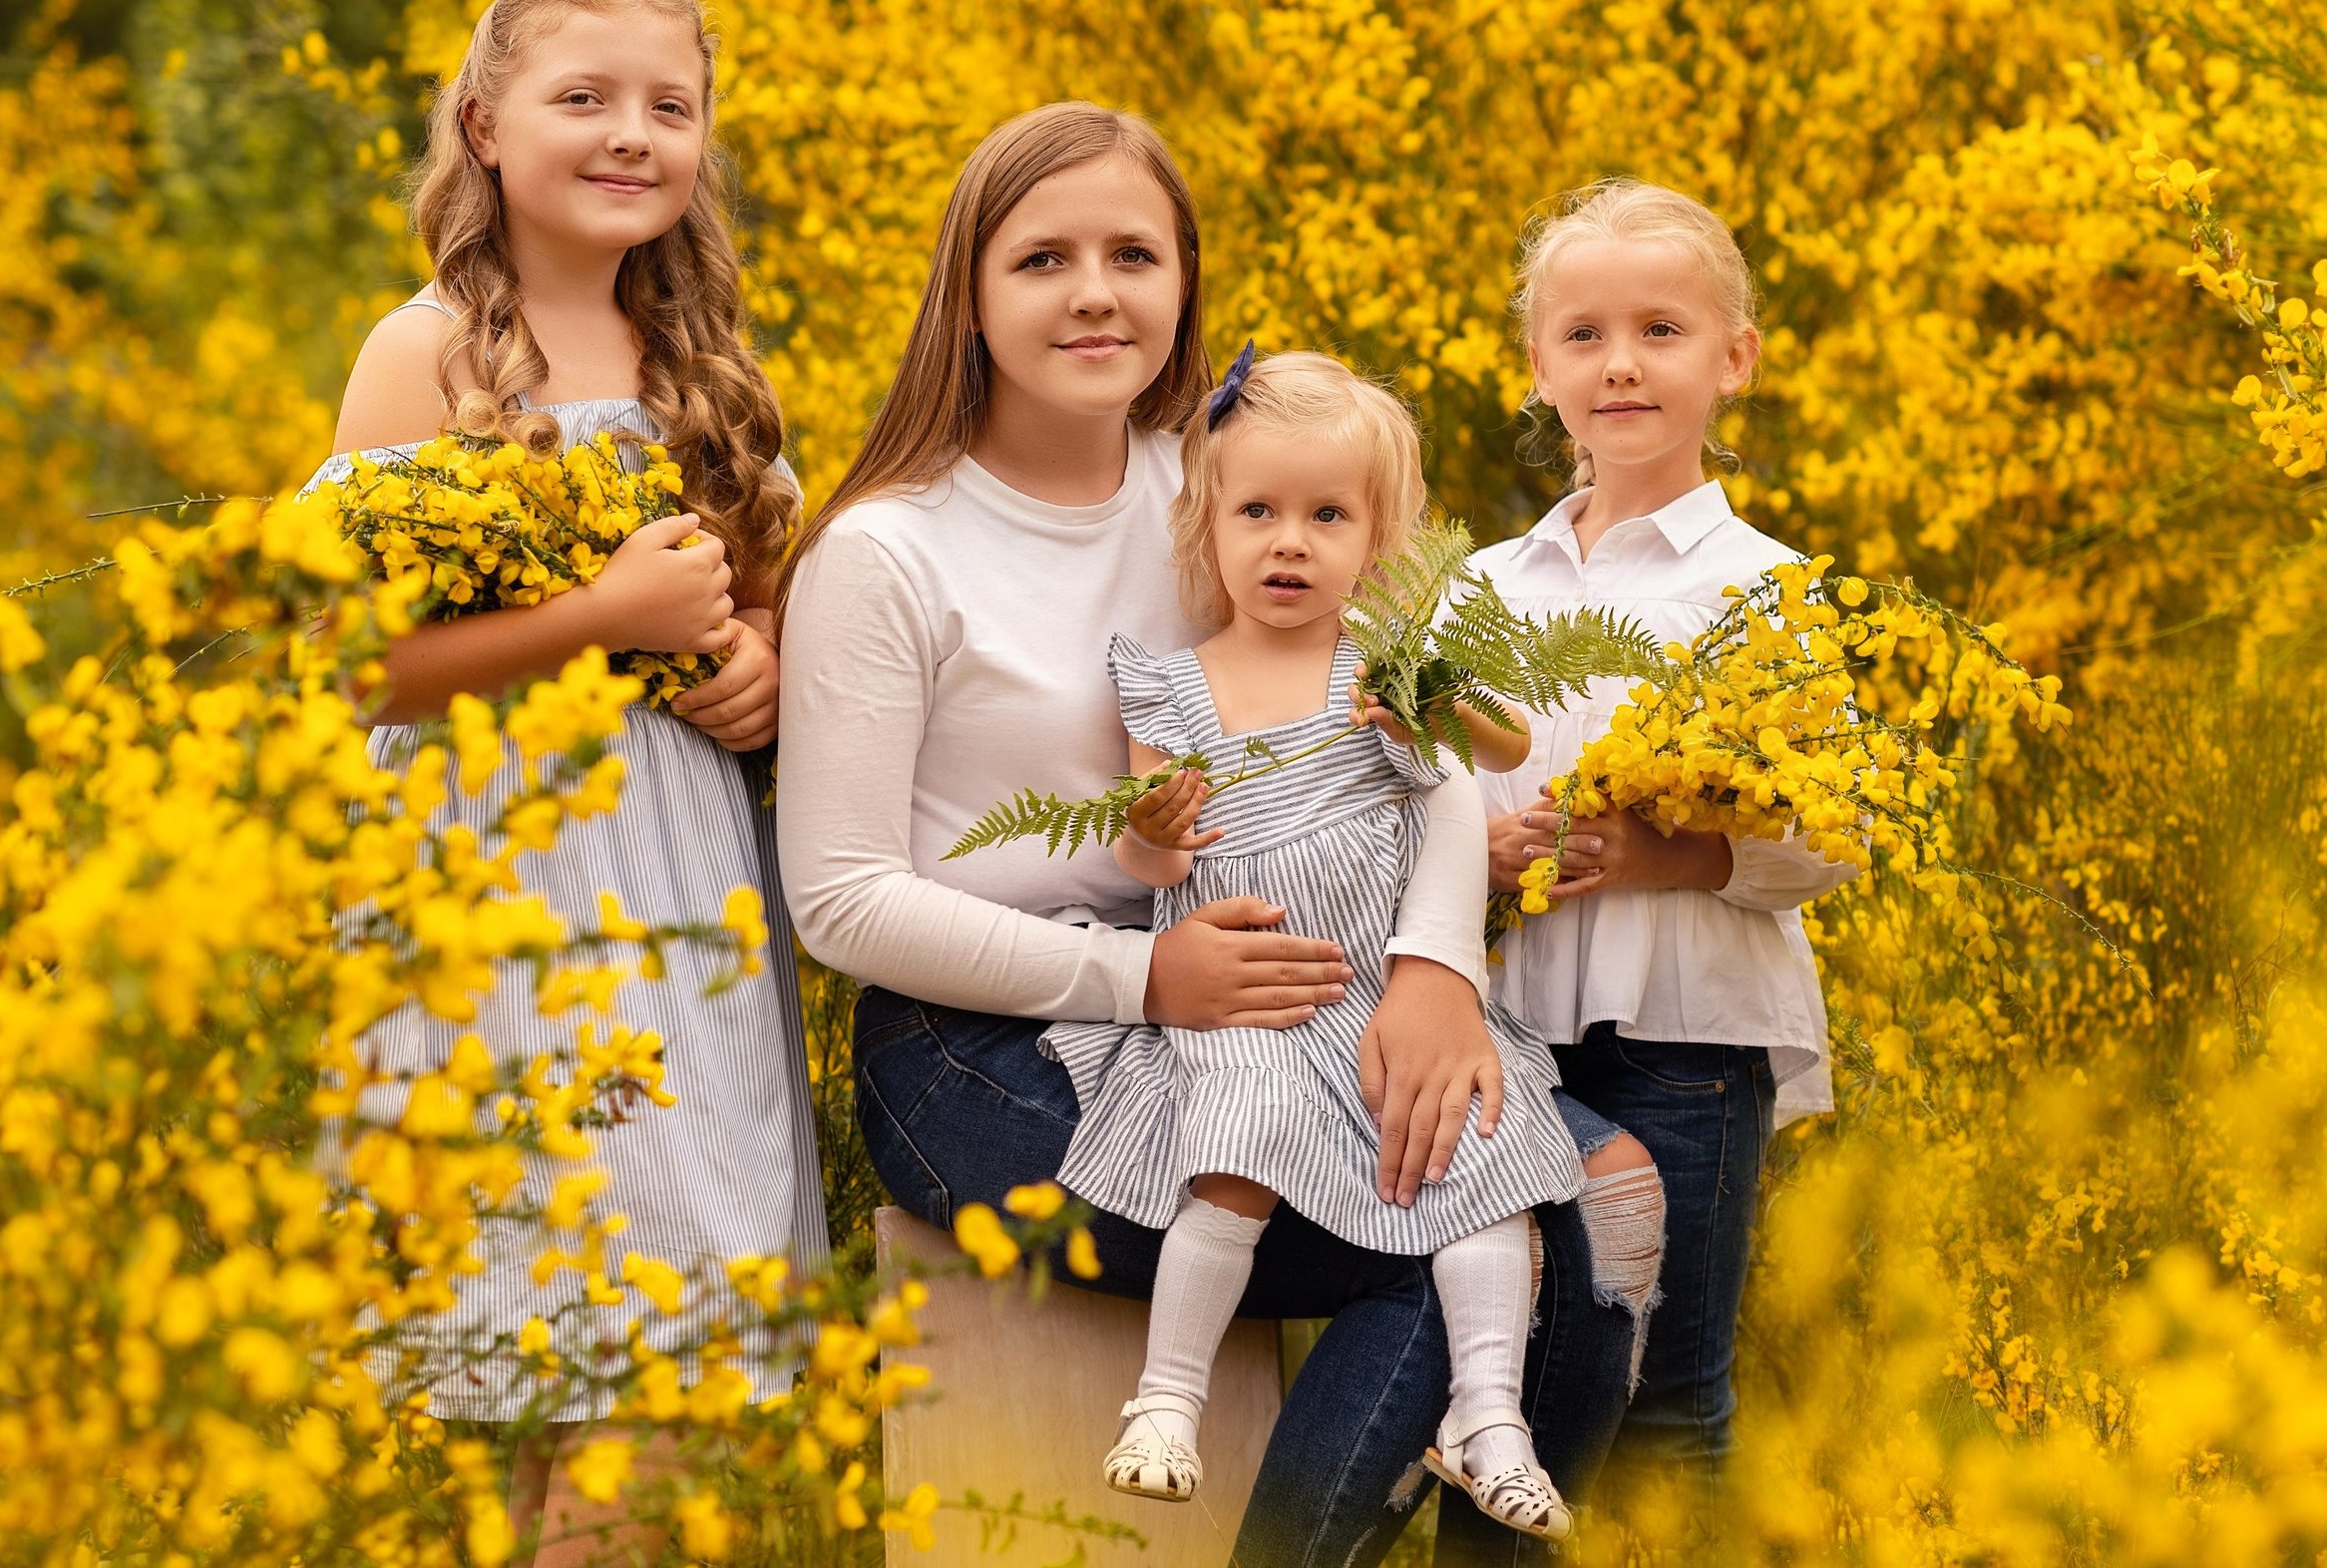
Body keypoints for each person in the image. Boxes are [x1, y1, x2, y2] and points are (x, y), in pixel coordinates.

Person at [775, 101, 1635, 1567]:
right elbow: (842, 904)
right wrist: (1145, 984)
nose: (1096, 289)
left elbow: (1405, 725)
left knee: (1599, 1200)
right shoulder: (889, 549)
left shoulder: (1229, 485)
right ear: (968, 296)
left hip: (1261, 998)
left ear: (1184, 287)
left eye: (1134, 252)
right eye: (1043, 257)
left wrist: (1432, 967)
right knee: (1441, 1244)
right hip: (981, 1042)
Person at [310, 0, 822, 1558]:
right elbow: (345, 664)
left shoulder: (712, 374)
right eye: (583, 97)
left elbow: (752, 614)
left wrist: (759, 669)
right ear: (482, 122)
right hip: (496, 905)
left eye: (671, 107)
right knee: (537, 1345)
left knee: (663, 1346)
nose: (632, 135)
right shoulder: (428, 356)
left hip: (680, 905)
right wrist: (598, 615)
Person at [1043, 349, 1584, 1539]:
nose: (1289, 543)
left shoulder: (1383, 673)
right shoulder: (1173, 686)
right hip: (1243, 1003)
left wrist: (1429, 698)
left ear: (1378, 543)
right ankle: (1165, 1401)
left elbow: (1502, 747)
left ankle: (1488, 1419)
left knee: (1481, 1167)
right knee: (1235, 1149)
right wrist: (1149, 832)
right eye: (1258, 513)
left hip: (1374, 1001)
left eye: (1327, 516)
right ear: (1207, 525)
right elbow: (1156, 871)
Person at [1474, 180, 1860, 1470]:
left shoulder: (1766, 587)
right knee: (1512, 1386)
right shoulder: (1484, 588)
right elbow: (1423, 803)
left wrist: (1664, 852)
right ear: (1538, 367)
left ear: (1733, 358)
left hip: (1694, 1030)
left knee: (1668, 1398)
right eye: (1582, 334)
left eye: (1661, 330)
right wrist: (1482, 853)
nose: (1620, 364)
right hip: (1515, 1029)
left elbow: (1832, 831)